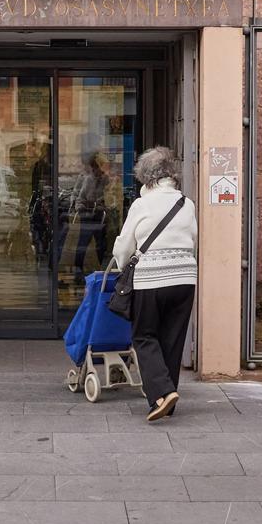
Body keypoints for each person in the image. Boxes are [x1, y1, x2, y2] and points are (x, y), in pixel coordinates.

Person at [109, 146, 196, 422]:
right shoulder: (186, 203)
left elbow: (124, 245)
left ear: (145, 177)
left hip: (151, 279)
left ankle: (161, 392)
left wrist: (122, 265)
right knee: (172, 339)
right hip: (185, 279)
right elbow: (192, 239)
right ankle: (165, 400)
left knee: (144, 336)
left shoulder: (141, 204)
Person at [63, 152, 111, 280]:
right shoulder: (87, 178)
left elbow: (108, 196)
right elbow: (82, 195)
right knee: (84, 241)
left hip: (98, 213)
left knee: (101, 243)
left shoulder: (105, 179)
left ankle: (99, 268)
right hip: (87, 212)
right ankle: (78, 269)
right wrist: (78, 206)